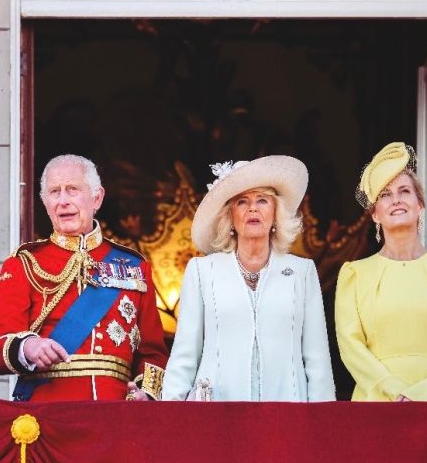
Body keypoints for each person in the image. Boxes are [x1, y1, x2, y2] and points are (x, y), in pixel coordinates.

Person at [143, 156, 335, 402]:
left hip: (287, 410)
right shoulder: (202, 271)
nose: (253, 208)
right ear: (230, 216)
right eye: (242, 202)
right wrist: (171, 410)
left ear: (276, 213)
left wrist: (321, 417)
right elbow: (185, 354)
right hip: (217, 410)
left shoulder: (302, 272)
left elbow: (317, 360)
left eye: (262, 200)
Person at [0, 154, 168, 401]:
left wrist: (147, 394)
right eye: (54, 192)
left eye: (72, 189)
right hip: (46, 411)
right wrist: (27, 347)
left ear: (97, 198)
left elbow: (153, 352)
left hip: (116, 410)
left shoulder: (134, 266)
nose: (63, 201)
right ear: (45, 202)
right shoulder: (24, 262)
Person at [335, 142, 427, 401]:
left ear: (420, 205)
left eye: (404, 191)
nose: (396, 199)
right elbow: (351, 346)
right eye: (385, 194)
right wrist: (394, 391)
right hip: (377, 402)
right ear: (375, 215)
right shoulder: (354, 275)